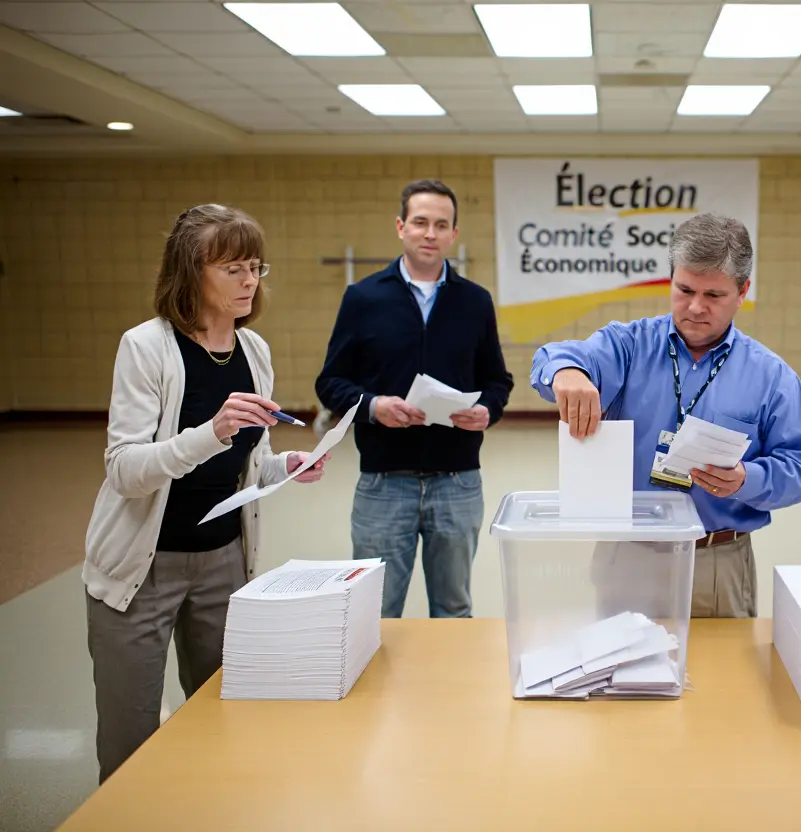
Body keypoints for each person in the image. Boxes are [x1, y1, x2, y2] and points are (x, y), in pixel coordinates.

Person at [83, 204, 328, 782]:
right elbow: (125, 471)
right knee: (130, 734)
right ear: (191, 272)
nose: (249, 282)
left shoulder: (254, 351)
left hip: (223, 563)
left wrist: (287, 464)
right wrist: (210, 431)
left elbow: (250, 465)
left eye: (255, 268)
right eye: (233, 269)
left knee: (221, 718)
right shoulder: (146, 348)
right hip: (139, 569)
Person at [531, 213, 801, 618]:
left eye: (714, 296)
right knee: (619, 676)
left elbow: (799, 471)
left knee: (724, 678)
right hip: (629, 552)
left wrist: (745, 479)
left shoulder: (771, 377)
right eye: (684, 290)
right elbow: (555, 357)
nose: (696, 307)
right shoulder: (629, 346)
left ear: (743, 291)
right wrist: (566, 372)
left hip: (716, 559)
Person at [316, 180, 513, 619]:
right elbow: (331, 382)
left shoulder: (475, 302)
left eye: (441, 225)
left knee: (454, 609)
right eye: (421, 222)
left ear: (453, 235)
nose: (430, 233)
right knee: (376, 611)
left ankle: (449, 690)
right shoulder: (363, 298)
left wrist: (488, 411)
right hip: (384, 483)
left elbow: (498, 381)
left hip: (457, 482)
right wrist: (373, 406)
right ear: (401, 227)